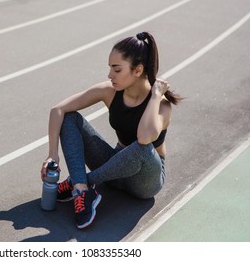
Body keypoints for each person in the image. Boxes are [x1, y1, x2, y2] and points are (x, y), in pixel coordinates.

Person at [40, 32, 182, 229]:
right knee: (69, 117)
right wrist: (52, 155)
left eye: (116, 69)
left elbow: (144, 137)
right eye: (110, 69)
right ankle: (82, 189)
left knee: (142, 147)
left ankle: (81, 183)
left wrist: (156, 96)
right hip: (115, 169)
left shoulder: (162, 106)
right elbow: (58, 110)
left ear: (138, 70)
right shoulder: (109, 92)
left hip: (146, 180)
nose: (109, 75)